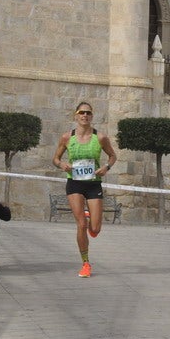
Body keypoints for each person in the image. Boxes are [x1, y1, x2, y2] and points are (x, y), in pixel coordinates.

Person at [52, 102, 118, 278]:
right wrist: (62, 165)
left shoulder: (100, 138)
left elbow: (113, 156)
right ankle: (85, 263)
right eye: (81, 112)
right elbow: (56, 159)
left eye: (88, 113)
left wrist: (106, 168)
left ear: (92, 116)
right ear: (76, 115)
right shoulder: (67, 137)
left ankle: (89, 219)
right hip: (74, 183)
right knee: (80, 224)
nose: (85, 115)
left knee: (94, 229)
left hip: (93, 183)